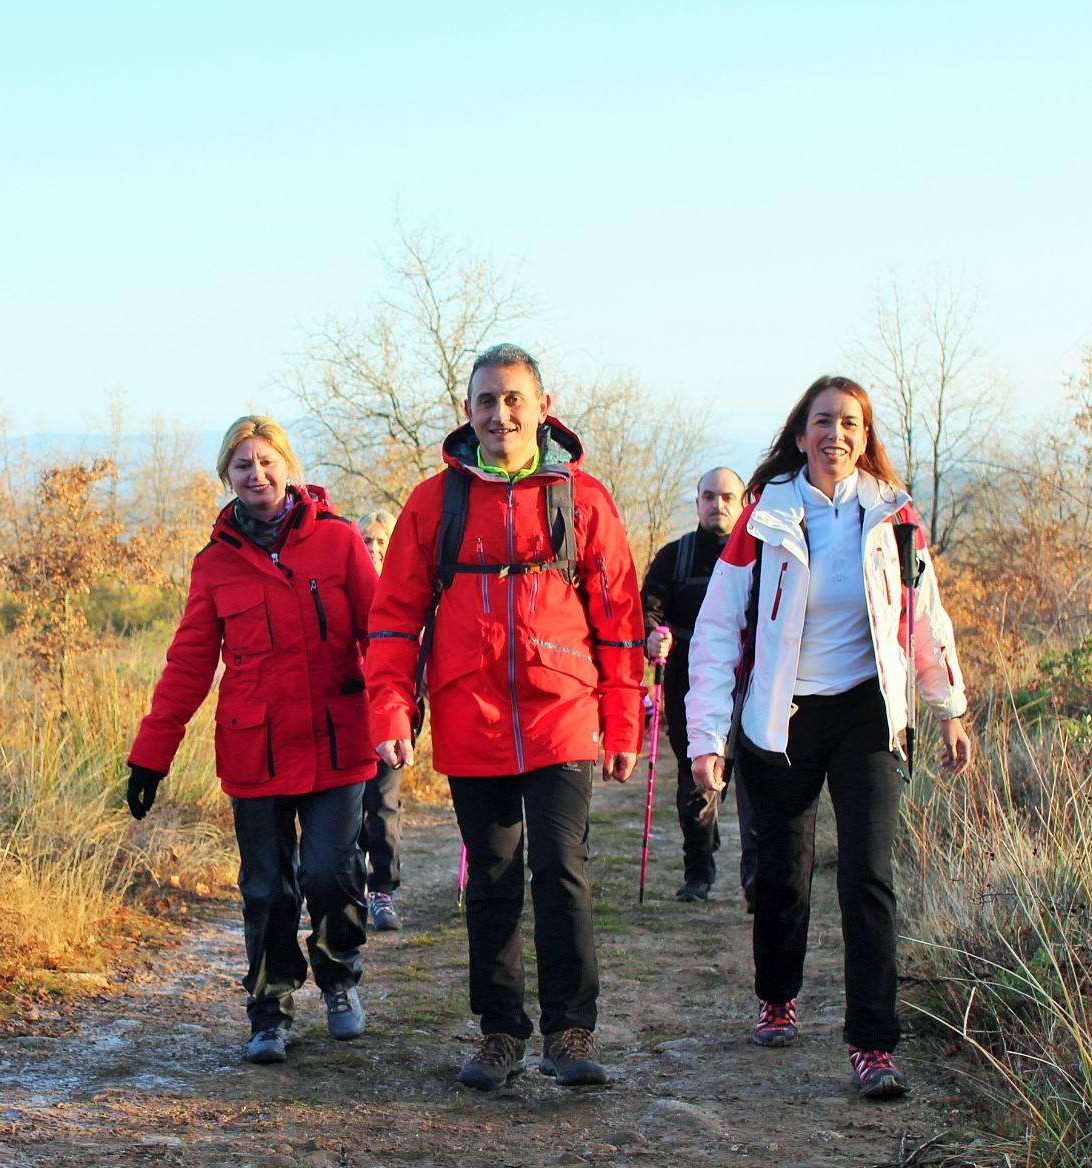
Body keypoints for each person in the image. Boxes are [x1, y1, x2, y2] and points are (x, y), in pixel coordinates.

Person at [366, 344, 646, 1091]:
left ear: (543, 407)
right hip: (471, 711)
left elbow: (618, 618)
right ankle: (499, 1033)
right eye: (487, 401)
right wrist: (392, 710)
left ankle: (570, 1031)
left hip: (562, 712)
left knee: (561, 870)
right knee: (490, 878)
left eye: (515, 399)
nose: (501, 414)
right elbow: (394, 620)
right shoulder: (435, 502)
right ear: (468, 412)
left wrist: (622, 722)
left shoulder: (584, 499)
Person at [685, 375, 972, 1099]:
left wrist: (949, 707)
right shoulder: (763, 518)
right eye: (823, 421)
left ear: (864, 434)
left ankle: (873, 1044)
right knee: (782, 876)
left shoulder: (895, 516)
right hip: (781, 721)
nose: (835, 434)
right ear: (801, 431)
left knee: (868, 876)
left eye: (849, 422)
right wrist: (706, 736)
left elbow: (923, 617)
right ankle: (778, 996)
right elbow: (719, 630)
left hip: (869, 716)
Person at [126, 415, 379, 1065]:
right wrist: (150, 756)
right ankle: (269, 1009)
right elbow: (187, 666)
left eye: (267, 461)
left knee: (331, 872)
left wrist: (401, 709)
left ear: (288, 467)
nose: (257, 473)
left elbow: (381, 637)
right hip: (255, 749)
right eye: (243, 464)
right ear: (226, 477)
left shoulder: (341, 542)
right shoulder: (215, 565)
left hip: (338, 742)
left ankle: (340, 975)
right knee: (267, 889)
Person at [639, 467, 772, 906]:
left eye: (728, 497)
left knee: (755, 782)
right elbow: (647, 611)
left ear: (743, 502)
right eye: (710, 497)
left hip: (754, 681)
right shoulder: (674, 557)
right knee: (697, 780)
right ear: (697, 504)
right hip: (687, 682)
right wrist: (653, 635)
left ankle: (756, 879)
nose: (719, 506)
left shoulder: (767, 555)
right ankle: (698, 873)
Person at [356, 510, 405, 931]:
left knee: (384, 804)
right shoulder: (344, 586)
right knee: (350, 809)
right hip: (349, 714)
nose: (373, 549)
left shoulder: (406, 591)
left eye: (381, 543)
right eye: (367, 542)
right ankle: (350, 889)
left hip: (393, 714)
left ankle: (383, 890)